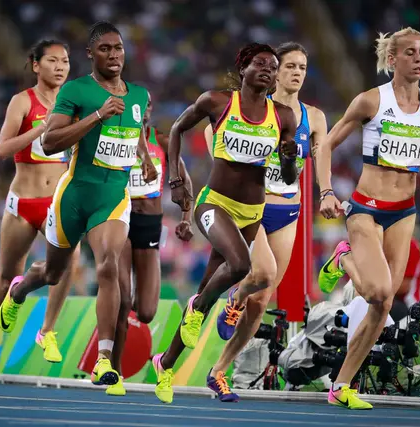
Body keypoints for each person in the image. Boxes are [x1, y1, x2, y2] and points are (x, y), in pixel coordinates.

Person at [0, 21, 157, 387]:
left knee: (108, 266)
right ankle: (19, 289)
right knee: (52, 274)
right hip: (73, 195)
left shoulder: (139, 94)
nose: (114, 55)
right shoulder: (76, 91)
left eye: (118, 48)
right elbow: (51, 142)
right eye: (105, 49)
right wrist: (97, 115)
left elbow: (133, 130)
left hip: (112, 198)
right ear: (91, 54)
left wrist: (144, 156)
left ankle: (103, 360)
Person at [317, 28, 420, 409]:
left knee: (384, 304)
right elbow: (327, 145)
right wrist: (327, 191)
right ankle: (344, 256)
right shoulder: (370, 102)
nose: (419, 58)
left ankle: (341, 386)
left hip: (404, 212)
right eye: (410, 52)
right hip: (366, 208)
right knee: (376, 292)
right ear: (392, 59)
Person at [152, 42, 298, 404]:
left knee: (209, 287)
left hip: (253, 212)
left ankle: (165, 364)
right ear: (244, 68)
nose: (268, 69)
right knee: (240, 266)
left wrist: (289, 158)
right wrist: (175, 179)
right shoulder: (216, 102)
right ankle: (199, 307)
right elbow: (176, 131)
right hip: (214, 203)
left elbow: (289, 174)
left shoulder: (282, 116)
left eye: (273, 66)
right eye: (261, 64)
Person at [201, 42, 328, 402]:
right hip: (251, 208)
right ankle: (235, 296)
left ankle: (219, 371)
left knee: (262, 301)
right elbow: (217, 143)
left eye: (303, 67)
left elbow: (321, 158)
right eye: (290, 66)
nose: (297, 72)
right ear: (275, 71)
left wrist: (328, 190)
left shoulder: (313, 117)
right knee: (262, 275)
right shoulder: (251, 110)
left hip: (288, 211)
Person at [0, 39, 80, 386]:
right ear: (36, 65)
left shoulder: (75, 101)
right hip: (23, 203)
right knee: (5, 277)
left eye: (65, 61)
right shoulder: (22, 101)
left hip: (59, 201)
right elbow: (2, 149)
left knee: (67, 266)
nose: (61, 67)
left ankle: (47, 330)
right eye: (52, 60)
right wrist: (41, 128)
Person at [105, 94, 194, 396]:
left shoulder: (163, 141)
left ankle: (117, 333)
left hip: (149, 225)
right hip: (119, 220)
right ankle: (112, 371)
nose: (142, 113)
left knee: (146, 311)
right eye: (135, 109)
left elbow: (183, 179)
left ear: (150, 112)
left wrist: (186, 217)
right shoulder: (116, 139)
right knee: (122, 300)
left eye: (146, 109)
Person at [319, 237, 420, 321]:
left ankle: (345, 258)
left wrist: (376, 288)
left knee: (375, 302)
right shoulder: (376, 241)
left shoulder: (411, 246)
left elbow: (404, 287)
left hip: (403, 303)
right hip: (380, 297)